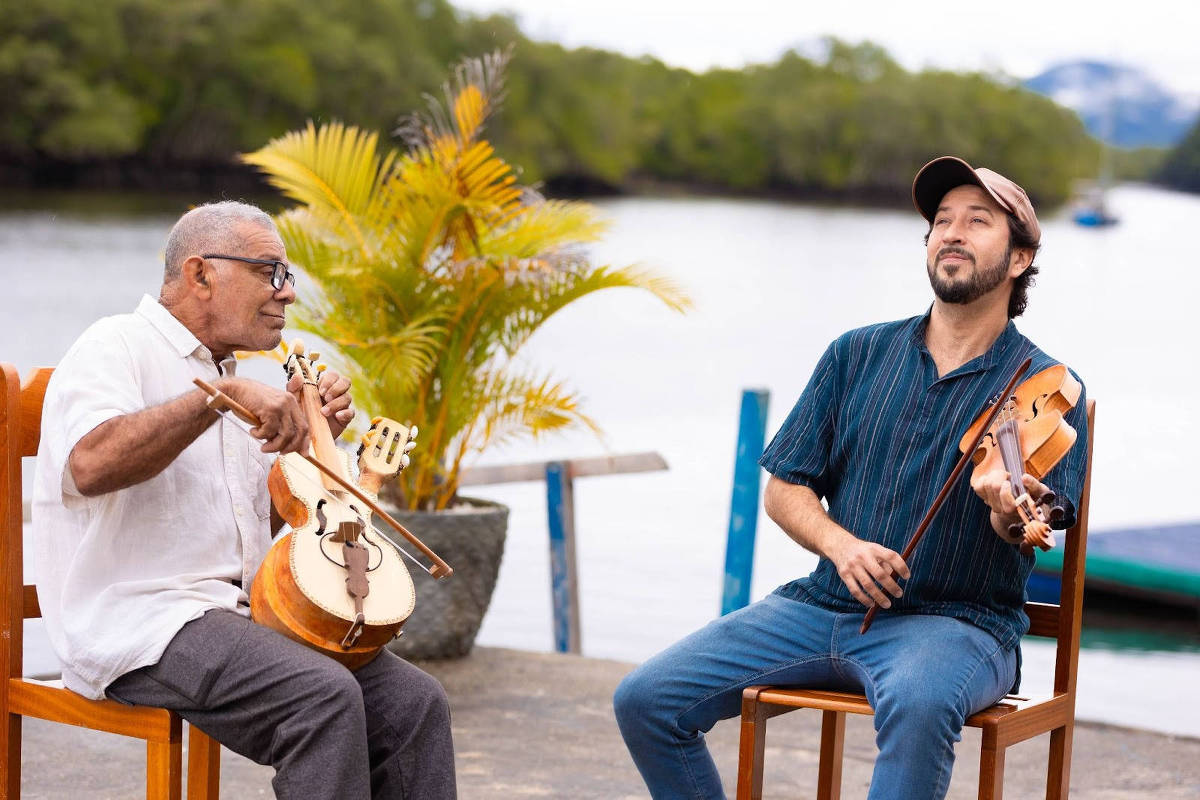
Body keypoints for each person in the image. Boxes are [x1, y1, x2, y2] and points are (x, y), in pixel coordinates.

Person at [613, 156, 1089, 799]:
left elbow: (1028, 524)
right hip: (821, 607)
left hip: (957, 626)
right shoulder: (856, 353)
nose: (952, 232)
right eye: (941, 220)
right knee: (646, 700)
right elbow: (784, 485)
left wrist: (1005, 506)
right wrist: (840, 545)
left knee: (920, 706)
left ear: (1020, 259)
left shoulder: (1048, 391)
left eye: (978, 221)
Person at [32, 201, 456, 799]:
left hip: (246, 614)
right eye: (269, 273)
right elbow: (89, 464)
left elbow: (278, 518)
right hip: (142, 619)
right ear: (201, 274)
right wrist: (219, 397)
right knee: (321, 696)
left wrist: (318, 442)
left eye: (288, 278)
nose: (286, 294)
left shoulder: (243, 376)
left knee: (416, 703)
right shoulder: (114, 345)